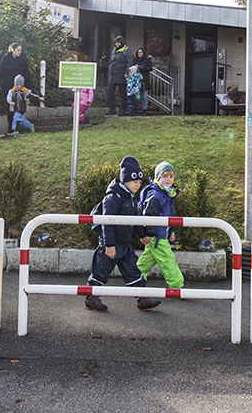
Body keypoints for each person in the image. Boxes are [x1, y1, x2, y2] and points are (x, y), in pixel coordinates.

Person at [84, 156, 161, 313]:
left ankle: (142, 299)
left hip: (125, 245)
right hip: (111, 245)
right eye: (135, 182)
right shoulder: (113, 197)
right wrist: (109, 245)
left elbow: (135, 220)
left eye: (140, 183)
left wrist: (143, 235)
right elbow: (107, 222)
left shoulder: (132, 198)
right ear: (125, 180)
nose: (138, 185)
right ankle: (91, 297)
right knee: (100, 272)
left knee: (134, 272)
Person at [137, 162, 185, 290]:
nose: (168, 179)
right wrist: (147, 234)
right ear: (158, 177)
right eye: (165, 176)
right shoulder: (156, 194)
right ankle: (177, 286)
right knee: (167, 260)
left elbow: (168, 216)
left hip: (160, 234)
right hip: (156, 235)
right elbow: (148, 216)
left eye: (171, 176)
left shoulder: (167, 193)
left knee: (148, 259)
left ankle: (136, 277)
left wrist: (171, 232)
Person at [0, 43, 32, 132]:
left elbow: (27, 73)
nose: (19, 52)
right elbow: (0, 73)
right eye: (18, 50)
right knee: (10, 107)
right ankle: (11, 128)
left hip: (20, 87)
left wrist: (29, 87)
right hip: (8, 85)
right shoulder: (6, 58)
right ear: (13, 50)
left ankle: (18, 127)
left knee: (20, 108)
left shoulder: (22, 59)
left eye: (20, 50)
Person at [105, 36, 132, 117]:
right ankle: (112, 109)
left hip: (121, 75)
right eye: (115, 42)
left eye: (118, 42)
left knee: (122, 93)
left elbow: (129, 62)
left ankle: (124, 109)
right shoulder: (113, 51)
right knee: (110, 91)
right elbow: (110, 62)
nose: (116, 44)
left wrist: (127, 72)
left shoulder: (126, 50)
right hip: (113, 75)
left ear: (122, 42)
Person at [133, 47, 153, 116]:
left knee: (144, 96)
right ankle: (137, 109)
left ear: (143, 53)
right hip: (137, 80)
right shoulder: (135, 60)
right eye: (138, 52)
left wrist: (143, 67)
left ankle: (144, 110)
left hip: (145, 80)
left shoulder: (147, 60)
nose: (139, 54)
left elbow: (150, 68)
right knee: (137, 96)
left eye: (140, 52)